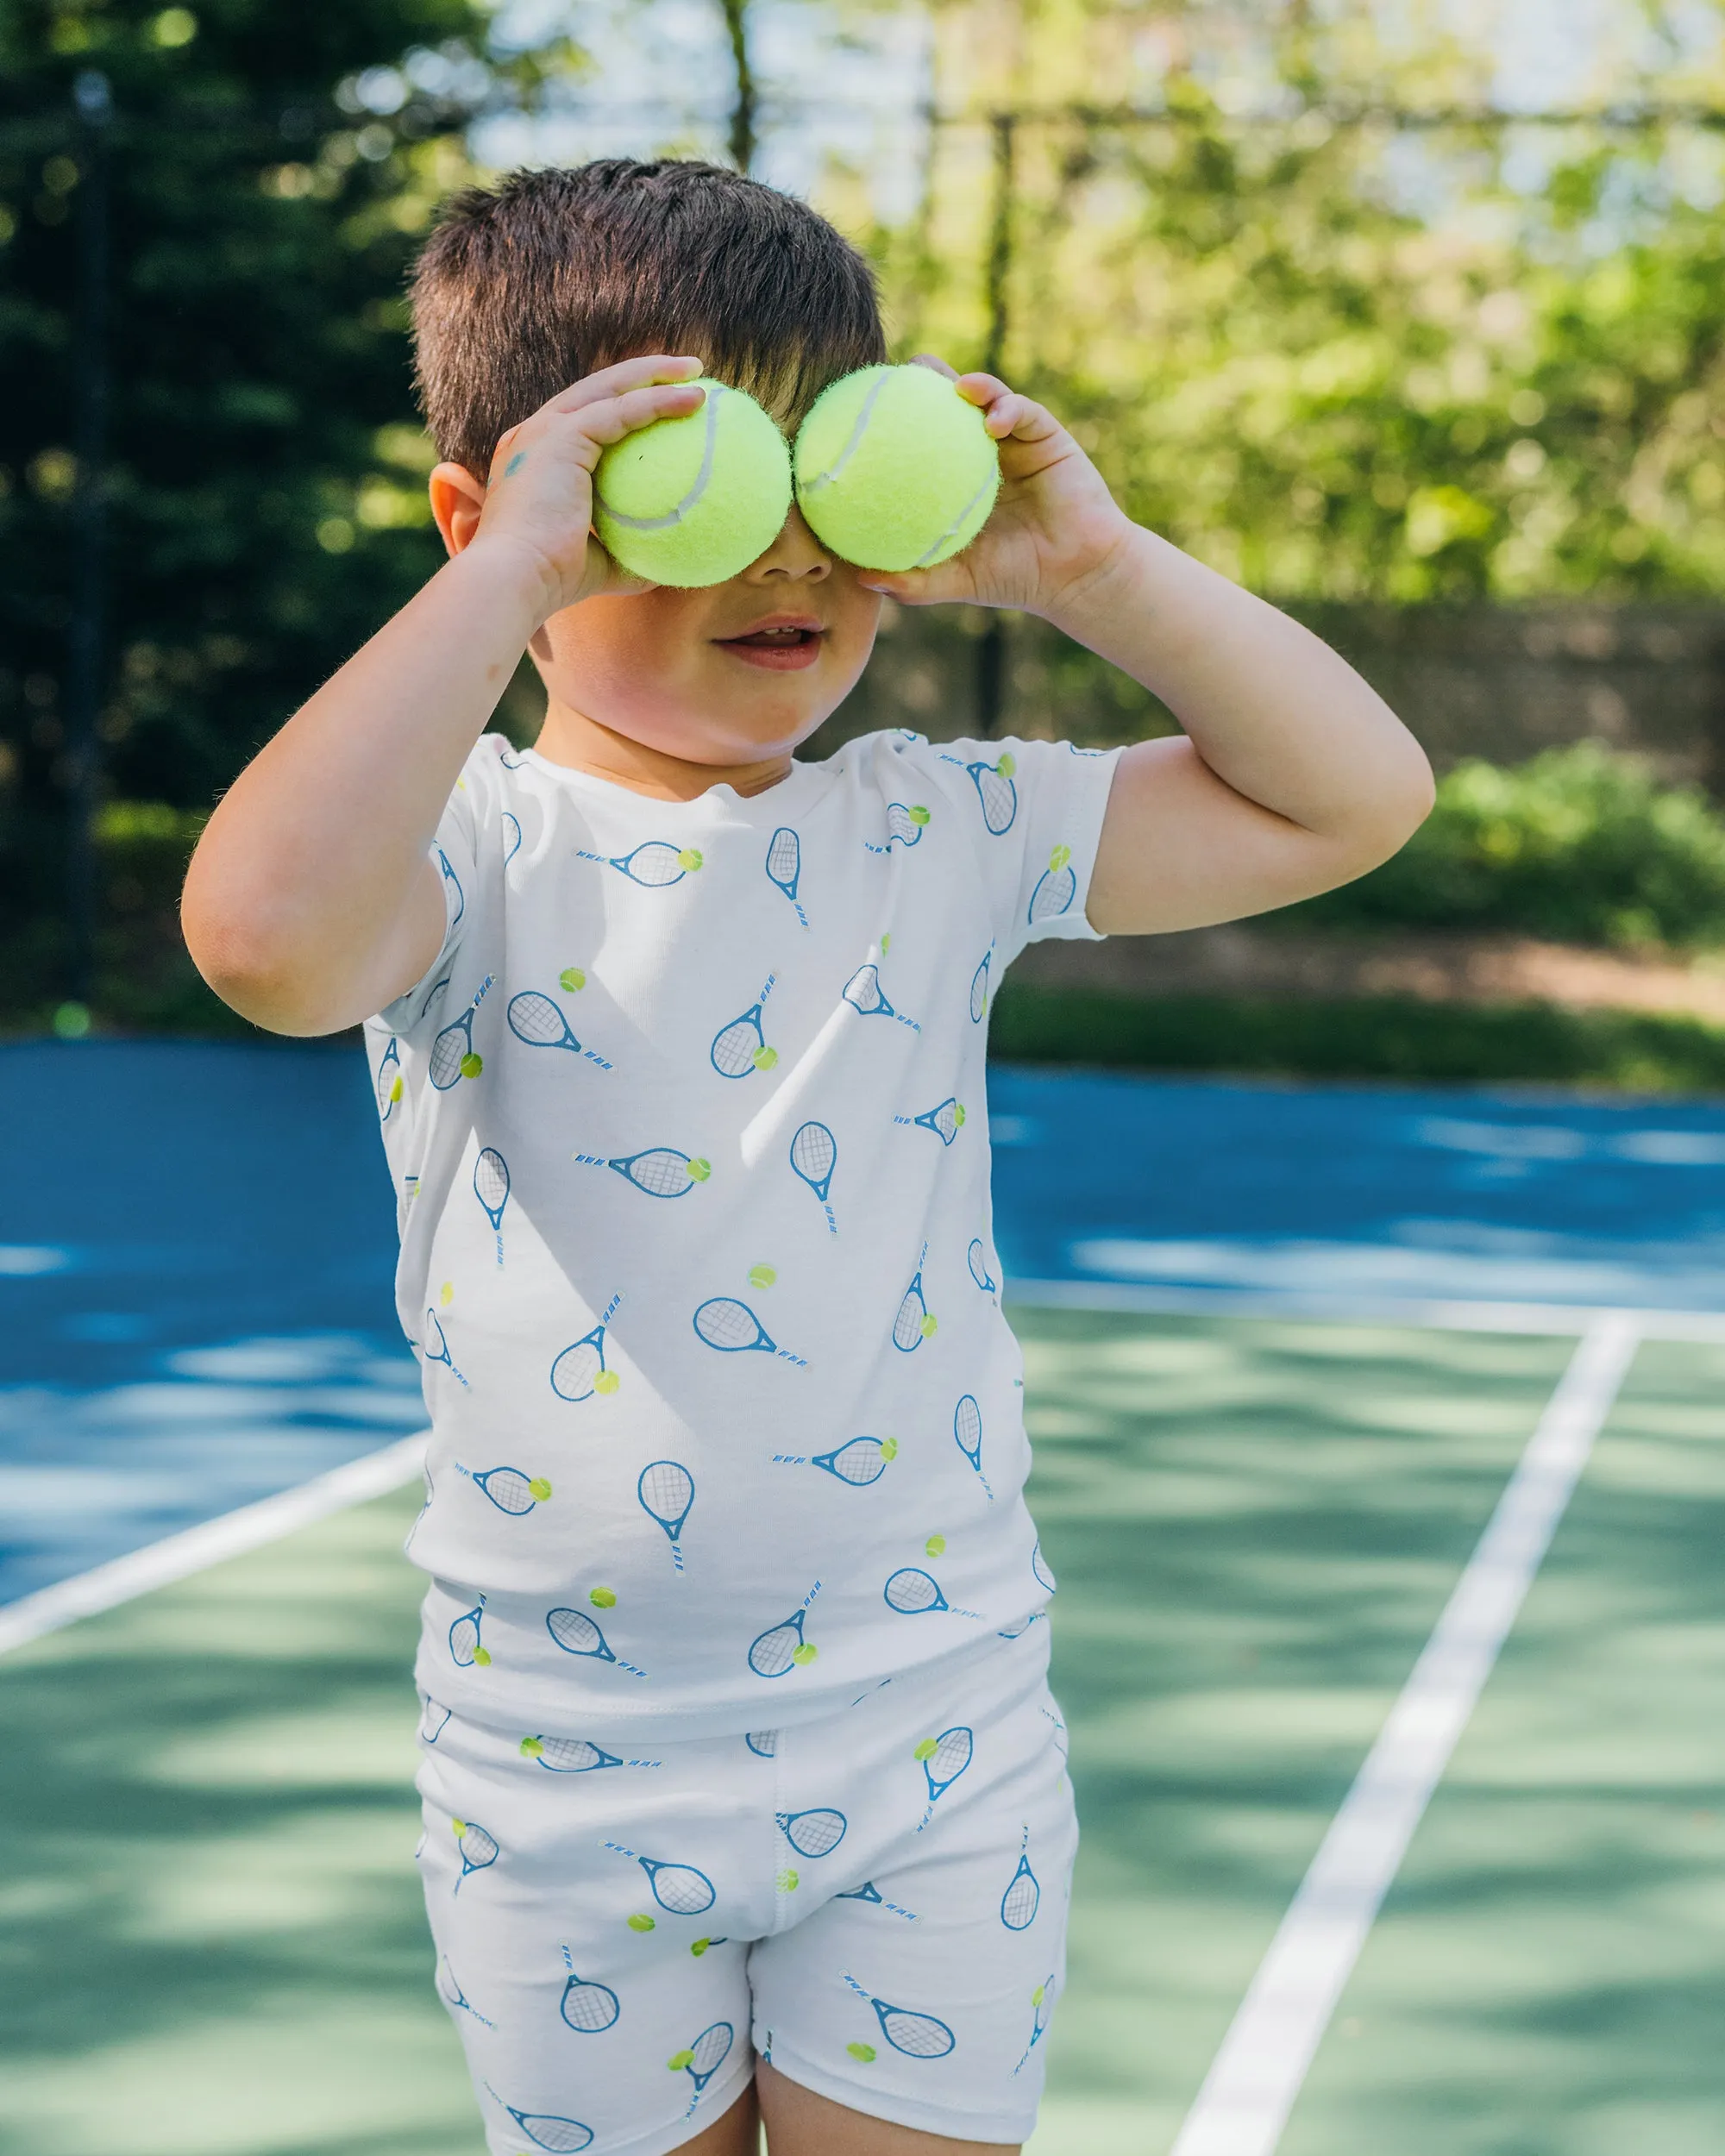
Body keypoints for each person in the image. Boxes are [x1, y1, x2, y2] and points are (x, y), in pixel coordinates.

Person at [181, 159, 1432, 2156]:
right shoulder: (472, 851)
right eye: (685, 486)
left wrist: (1092, 570)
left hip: (927, 1742)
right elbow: (261, 938)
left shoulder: (937, 826)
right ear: (502, 516)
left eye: (817, 480)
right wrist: (499, 581)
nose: (782, 556)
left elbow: (1354, 798)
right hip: (558, 1772)